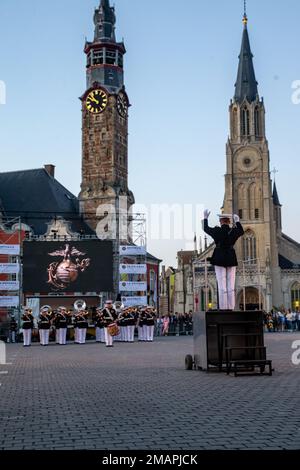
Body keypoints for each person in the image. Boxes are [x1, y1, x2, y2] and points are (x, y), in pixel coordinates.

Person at [203, 211, 244, 310]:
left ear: (220, 221)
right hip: (231, 258)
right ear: (229, 221)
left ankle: (223, 307)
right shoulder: (233, 231)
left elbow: (206, 229)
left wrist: (205, 219)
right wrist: (237, 221)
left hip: (219, 258)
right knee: (231, 285)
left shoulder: (217, 231)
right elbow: (241, 231)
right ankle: (231, 307)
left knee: (222, 285)